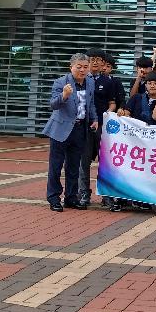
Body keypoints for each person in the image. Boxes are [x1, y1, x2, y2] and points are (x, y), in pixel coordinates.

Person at [43, 53, 98, 212]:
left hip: (80, 129)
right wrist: (64, 95)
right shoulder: (61, 82)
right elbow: (53, 105)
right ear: (71, 67)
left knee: (74, 166)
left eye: (85, 67)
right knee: (56, 166)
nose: (82, 70)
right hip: (60, 129)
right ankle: (54, 198)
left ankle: (71, 197)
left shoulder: (90, 82)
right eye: (78, 67)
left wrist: (94, 118)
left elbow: (90, 103)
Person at [78, 48, 117, 207]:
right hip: (84, 126)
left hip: (102, 127)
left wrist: (106, 115)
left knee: (105, 163)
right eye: (91, 59)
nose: (94, 62)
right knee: (83, 161)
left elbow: (112, 103)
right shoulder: (80, 79)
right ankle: (83, 194)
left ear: (103, 63)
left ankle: (106, 195)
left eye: (98, 59)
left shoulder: (108, 81)